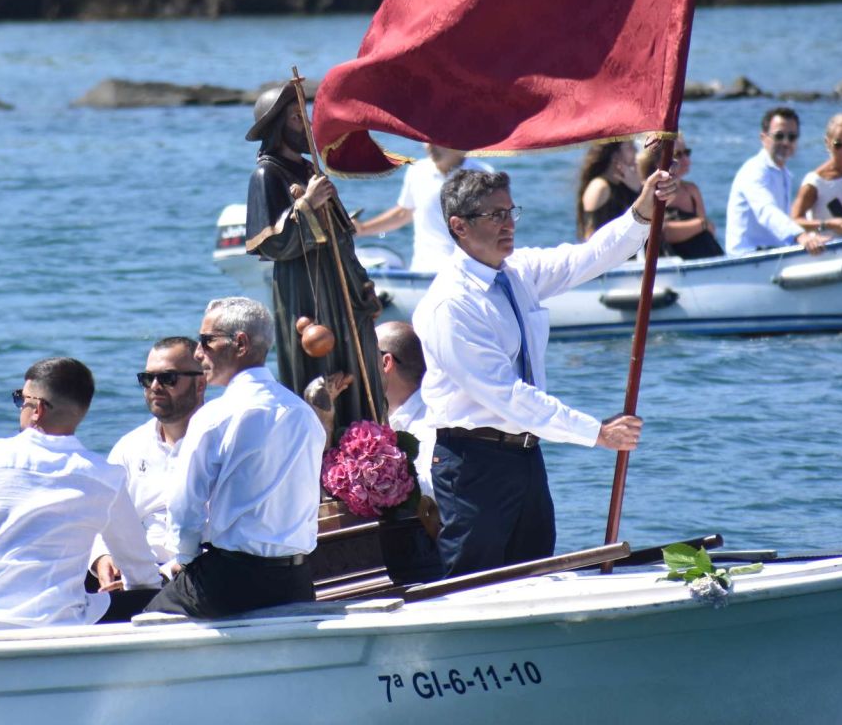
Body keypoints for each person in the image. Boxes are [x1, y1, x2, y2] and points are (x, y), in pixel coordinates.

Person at [414, 166, 672, 577]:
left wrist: (640, 213)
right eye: (494, 216)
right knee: (471, 586)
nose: (507, 225)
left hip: (526, 457)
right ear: (459, 227)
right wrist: (595, 432)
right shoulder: (451, 305)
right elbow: (507, 396)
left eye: (510, 212)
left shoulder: (517, 273)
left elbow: (586, 258)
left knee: (536, 575)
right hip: (473, 463)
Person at [0, 357, 160, 632]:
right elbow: (141, 572)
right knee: (152, 598)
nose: (19, 407)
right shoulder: (106, 477)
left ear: (37, 409)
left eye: (20, 399)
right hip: (60, 626)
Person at [148, 297, 327, 619]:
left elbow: (184, 502)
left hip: (232, 581)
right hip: (297, 580)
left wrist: (185, 560)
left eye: (206, 341)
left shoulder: (217, 416)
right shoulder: (304, 414)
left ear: (240, 343)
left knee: (143, 626)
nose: (198, 353)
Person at [242, 83, 383, 429]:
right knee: (323, 368)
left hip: (341, 287)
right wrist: (306, 205)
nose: (305, 124)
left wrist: (362, 284)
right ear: (277, 126)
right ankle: (329, 453)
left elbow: (342, 237)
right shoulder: (267, 174)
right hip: (306, 292)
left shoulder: (310, 171)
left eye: (304, 114)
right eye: (294, 117)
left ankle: (367, 447)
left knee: (359, 365)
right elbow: (270, 244)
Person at [89, 337, 208, 591]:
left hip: (202, 577)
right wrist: (102, 558)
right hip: (137, 578)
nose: (155, 386)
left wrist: (158, 576)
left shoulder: (220, 443)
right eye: (147, 379)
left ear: (200, 384)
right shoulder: (130, 447)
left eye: (168, 378)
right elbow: (101, 517)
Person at [375, 320, 443, 583]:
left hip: (426, 561)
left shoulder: (432, 422)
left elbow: (431, 496)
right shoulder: (381, 417)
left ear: (385, 363)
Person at [353, 145, 484, 272]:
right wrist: (361, 229)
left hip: (469, 274)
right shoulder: (418, 171)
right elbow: (404, 213)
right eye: (425, 140)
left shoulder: (483, 177)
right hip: (423, 271)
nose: (428, 146)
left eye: (434, 139)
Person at [724, 108, 830, 256]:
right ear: (763, 138)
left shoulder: (783, 173)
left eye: (792, 137)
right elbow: (766, 211)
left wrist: (809, 235)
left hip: (772, 254)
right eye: (779, 136)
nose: (786, 142)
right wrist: (800, 236)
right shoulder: (754, 171)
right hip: (747, 258)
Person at [792, 113, 842, 234]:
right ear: (827, 143)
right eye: (839, 144)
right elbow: (794, 221)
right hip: (825, 251)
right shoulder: (815, 182)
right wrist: (828, 225)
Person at [656, 135, 724, 259]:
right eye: (678, 155)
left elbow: (710, 231)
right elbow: (662, 232)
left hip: (707, 257)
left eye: (687, 153)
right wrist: (701, 224)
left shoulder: (691, 190)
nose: (686, 160)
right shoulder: (655, 191)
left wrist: (702, 225)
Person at [575, 139, 640, 239]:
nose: (636, 151)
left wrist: (637, 188)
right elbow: (591, 237)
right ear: (614, 156)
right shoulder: (600, 187)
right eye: (630, 147)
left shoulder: (625, 184)